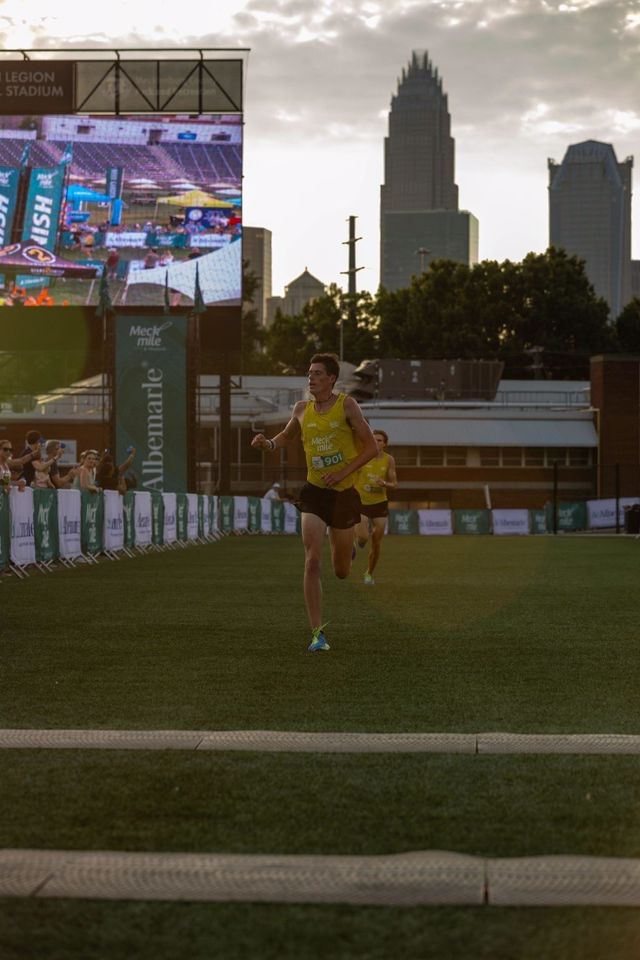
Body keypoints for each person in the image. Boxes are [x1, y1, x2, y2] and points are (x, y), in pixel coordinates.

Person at [251, 352, 377, 653]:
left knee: (341, 571)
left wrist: (343, 472)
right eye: (309, 372)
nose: (311, 377)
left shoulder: (347, 405)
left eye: (318, 373)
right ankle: (317, 633)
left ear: (331, 378)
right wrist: (268, 444)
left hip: (343, 495)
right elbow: (285, 437)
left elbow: (371, 447)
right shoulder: (301, 409)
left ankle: (349, 551)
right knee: (312, 559)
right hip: (314, 494)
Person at [354, 430, 398, 585]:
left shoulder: (389, 460)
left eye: (379, 440)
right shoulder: (361, 455)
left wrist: (384, 483)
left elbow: (394, 484)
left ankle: (369, 573)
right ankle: (354, 544)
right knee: (363, 538)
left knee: (376, 542)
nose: (376, 442)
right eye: (374, 439)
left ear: (385, 444)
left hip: (380, 503)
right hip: (361, 502)